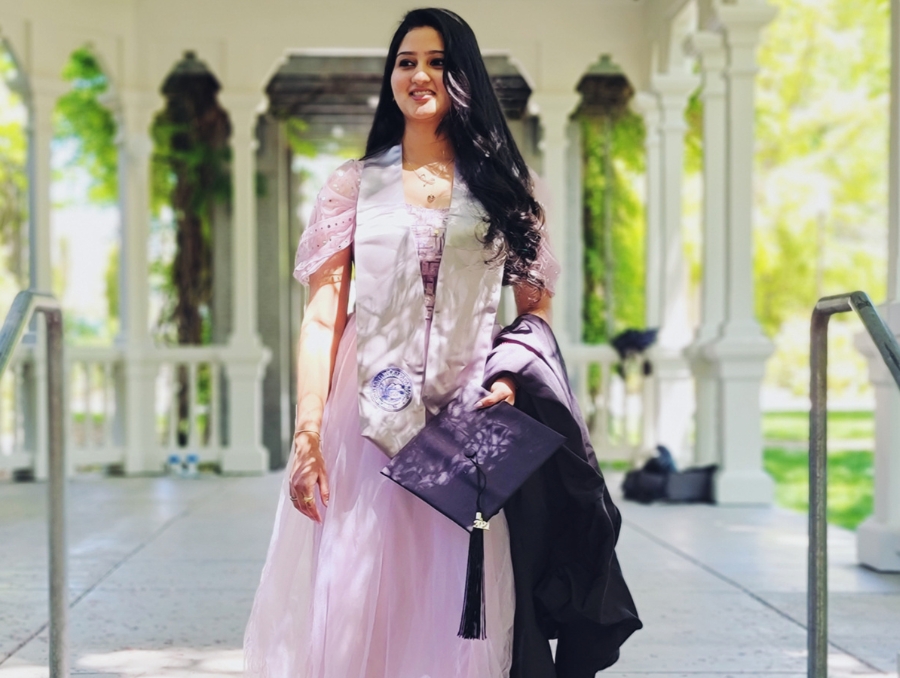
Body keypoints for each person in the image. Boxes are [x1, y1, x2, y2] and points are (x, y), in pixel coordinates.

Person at [244, 8, 639, 678]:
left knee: (462, 582)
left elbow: (534, 310)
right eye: (405, 61)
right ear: (390, 77)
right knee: (363, 587)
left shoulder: (506, 188)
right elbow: (320, 318)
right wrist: (308, 433)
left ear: (464, 76)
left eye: (436, 60)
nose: (419, 74)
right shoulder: (354, 185)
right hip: (364, 414)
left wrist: (511, 381)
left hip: (469, 411)